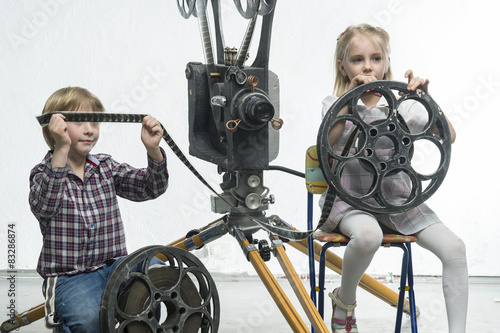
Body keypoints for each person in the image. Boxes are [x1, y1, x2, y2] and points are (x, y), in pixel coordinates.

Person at [316, 24, 468, 333]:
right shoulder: (335, 104)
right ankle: (345, 301)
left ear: (386, 62)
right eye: (358, 60)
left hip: (399, 199)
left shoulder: (405, 107)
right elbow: (329, 144)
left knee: (455, 249)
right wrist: (349, 98)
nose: (368, 66)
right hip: (351, 200)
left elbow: (448, 136)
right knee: (368, 236)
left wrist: (426, 97)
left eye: (376, 58)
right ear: (343, 66)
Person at [29, 86, 169, 332]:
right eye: (79, 121)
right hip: (70, 277)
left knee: (154, 272)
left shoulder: (105, 166)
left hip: (115, 266)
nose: (89, 129)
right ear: (54, 127)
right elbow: (45, 206)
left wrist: (152, 150)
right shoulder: (43, 173)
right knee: (90, 320)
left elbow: (150, 188)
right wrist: (61, 148)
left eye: (95, 121)